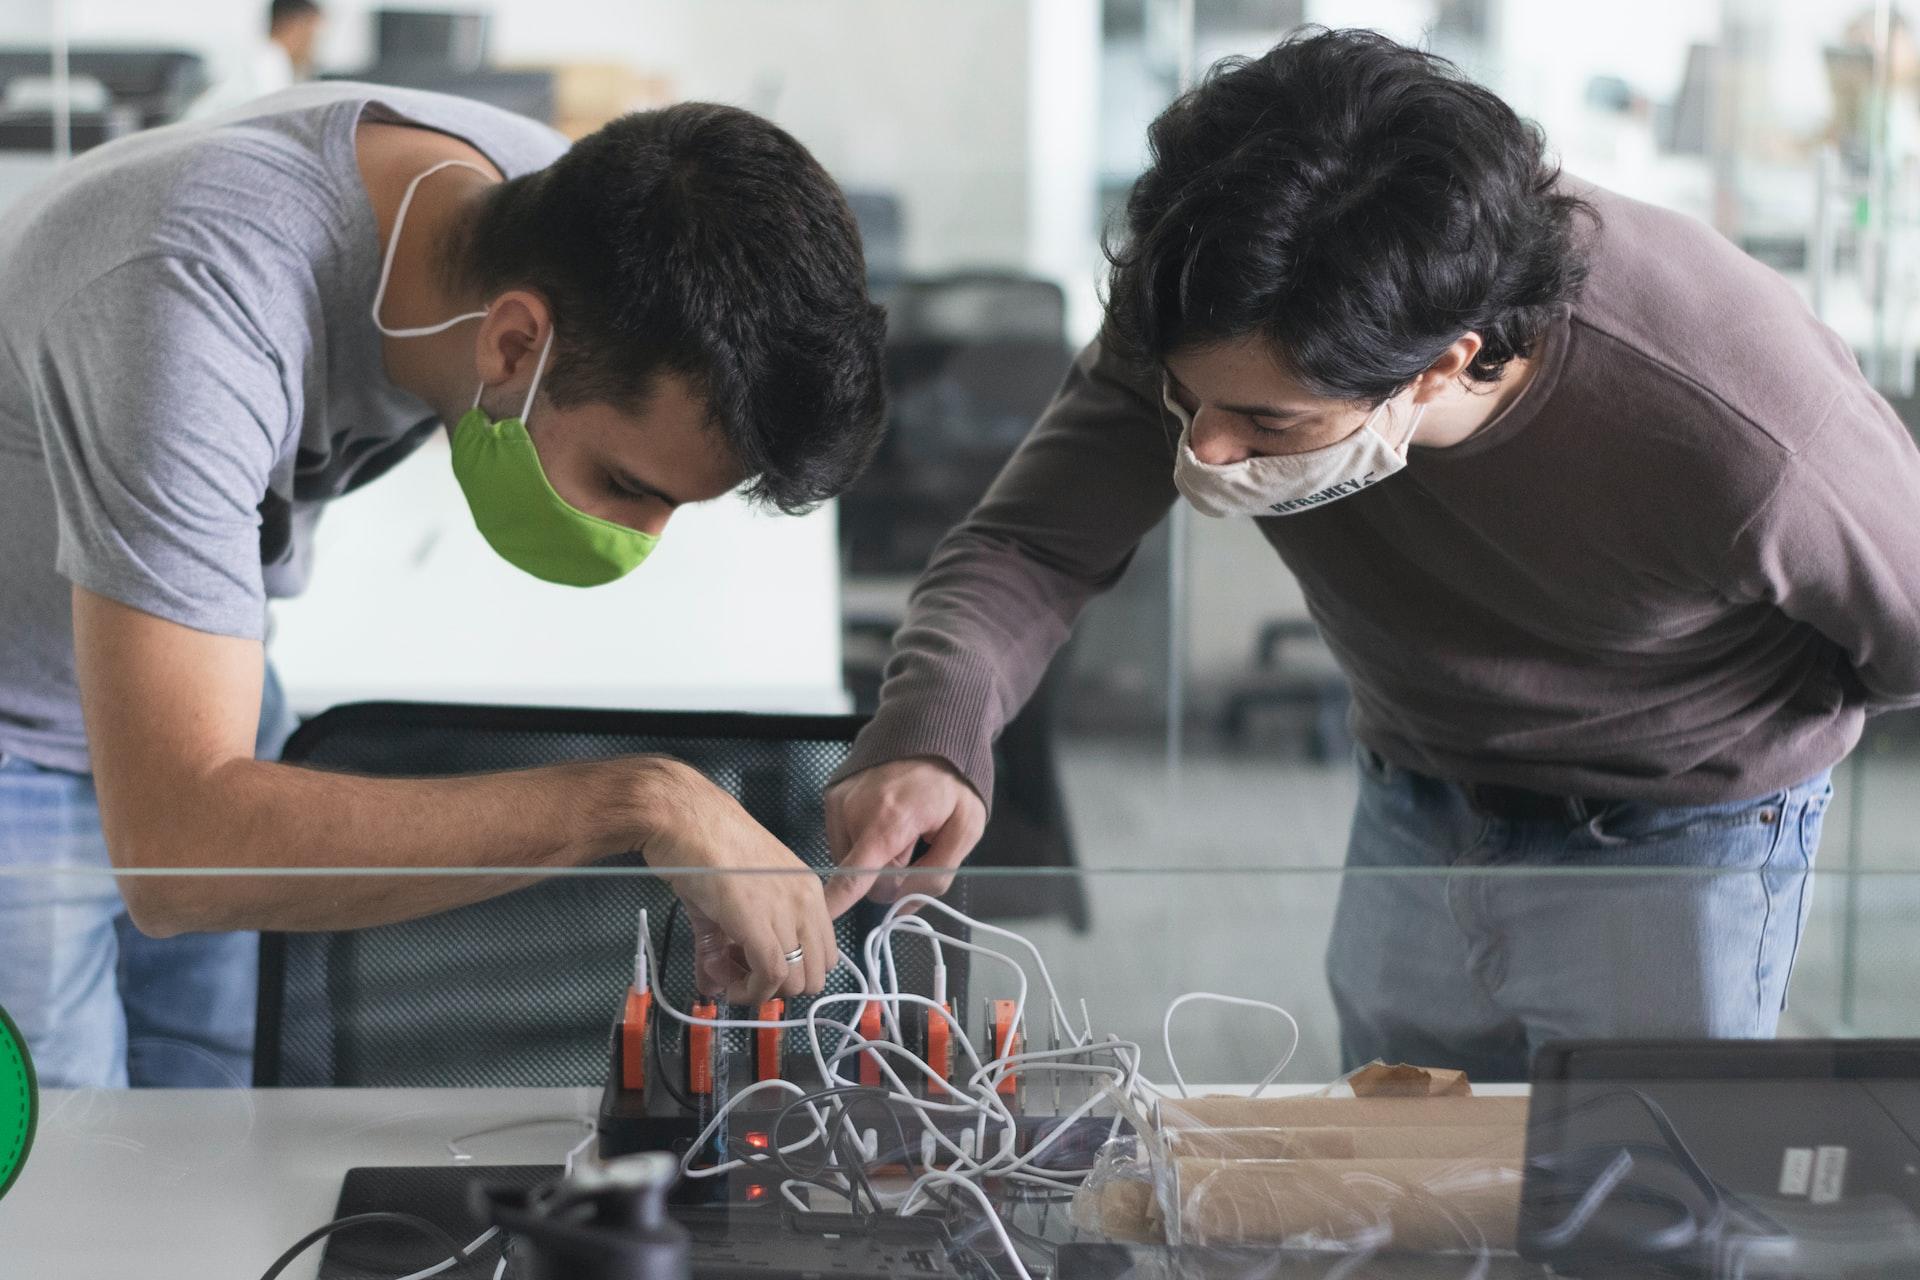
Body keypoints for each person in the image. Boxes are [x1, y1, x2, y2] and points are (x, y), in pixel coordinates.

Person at [824, 28, 1920, 1080]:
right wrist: (932, 732)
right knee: (1395, 1189)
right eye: (1185, 400)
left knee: (1646, 1211)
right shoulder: (1212, 304)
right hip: (1413, 784)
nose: (1203, 442)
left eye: (1266, 421)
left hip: (1679, 834)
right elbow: (1030, 542)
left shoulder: (1739, 415)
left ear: (1443, 367)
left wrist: (1722, 726)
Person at [0, 82, 886, 1088]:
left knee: (202, 1149)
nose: (638, 538)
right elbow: (178, 849)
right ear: (514, 343)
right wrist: (642, 802)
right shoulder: (192, 304)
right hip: (24, 736)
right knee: (55, 1196)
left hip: (189, 692)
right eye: (628, 484)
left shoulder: (553, 219)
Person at [187, 0, 326, 120]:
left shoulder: (258, 57)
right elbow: (270, 119)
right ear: (296, 26)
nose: (316, 45)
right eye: (315, 33)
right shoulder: (268, 63)